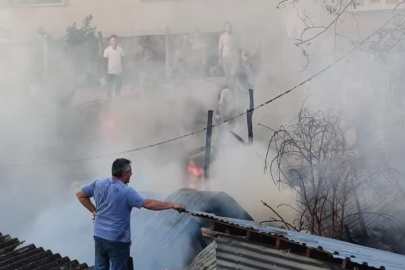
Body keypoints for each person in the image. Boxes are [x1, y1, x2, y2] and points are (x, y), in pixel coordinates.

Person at [76, 158, 186, 270]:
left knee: (100, 268)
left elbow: (80, 194)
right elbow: (149, 204)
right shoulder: (126, 191)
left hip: (99, 235)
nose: (131, 174)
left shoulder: (98, 183)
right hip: (117, 240)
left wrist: (94, 211)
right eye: (130, 172)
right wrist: (172, 205)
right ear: (124, 174)